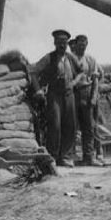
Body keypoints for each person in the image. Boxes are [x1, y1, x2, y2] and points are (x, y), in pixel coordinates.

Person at [30, 29, 84, 168]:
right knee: (55, 125)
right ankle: (52, 156)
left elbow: (81, 73)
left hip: (69, 94)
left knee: (70, 125)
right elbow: (34, 72)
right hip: (54, 94)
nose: (62, 45)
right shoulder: (49, 57)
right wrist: (38, 90)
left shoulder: (71, 58)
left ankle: (65, 157)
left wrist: (73, 83)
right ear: (54, 43)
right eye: (59, 42)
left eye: (64, 42)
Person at [71, 34, 104, 166]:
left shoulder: (90, 59)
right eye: (79, 44)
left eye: (84, 44)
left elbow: (95, 80)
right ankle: (70, 156)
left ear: (87, 45)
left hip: (87, 92)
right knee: (71, 126)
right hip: (73, 94)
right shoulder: (69, 59)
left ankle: (89, 157)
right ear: (75, 45)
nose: (82, 47)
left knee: (89, 127)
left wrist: (94, 97)